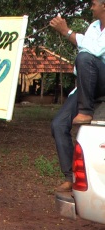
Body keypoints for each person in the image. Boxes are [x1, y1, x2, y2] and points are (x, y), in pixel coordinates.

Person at [49, 3, 105, 191]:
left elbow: (95, 52)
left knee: (85, 58)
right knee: (58, 124)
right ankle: (70, 175)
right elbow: (85, 51)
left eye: (94, 3)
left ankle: (86, 111)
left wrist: (66, 32)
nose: (91, 7)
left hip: (103, 80)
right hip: (86, 83)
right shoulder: (93, 27)